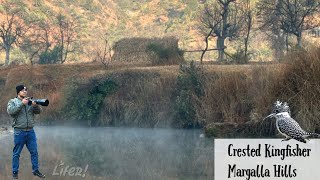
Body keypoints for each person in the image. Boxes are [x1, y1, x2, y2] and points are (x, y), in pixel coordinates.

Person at [7, 85, 45, 179]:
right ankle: (15, 173)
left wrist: (35, 106)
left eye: (26, 90)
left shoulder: (30, 101)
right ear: (18, 92)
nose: (25, 91)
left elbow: (39, 112)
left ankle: (35, 170)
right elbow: (11, 112)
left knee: (34, 152)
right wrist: (22, 104)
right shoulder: (12, 101)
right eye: (23, 90)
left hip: (30, 132)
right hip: (19, 132)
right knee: (16, 154)